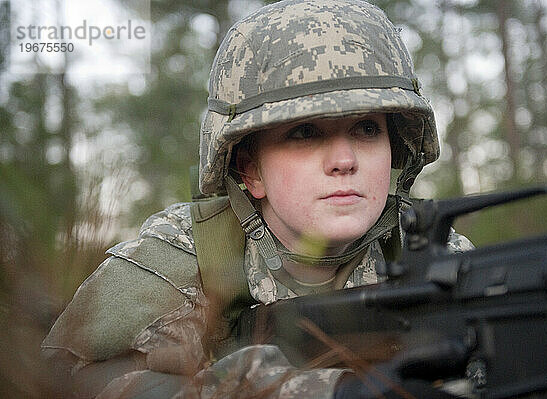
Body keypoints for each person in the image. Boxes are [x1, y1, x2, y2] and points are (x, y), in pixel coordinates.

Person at [42, 0, 473, 398]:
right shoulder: (186, 257)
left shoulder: (434, 256)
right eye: (305, 132)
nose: (344, 160)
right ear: (250, 169)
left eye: (366, 129)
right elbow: (63, 380)